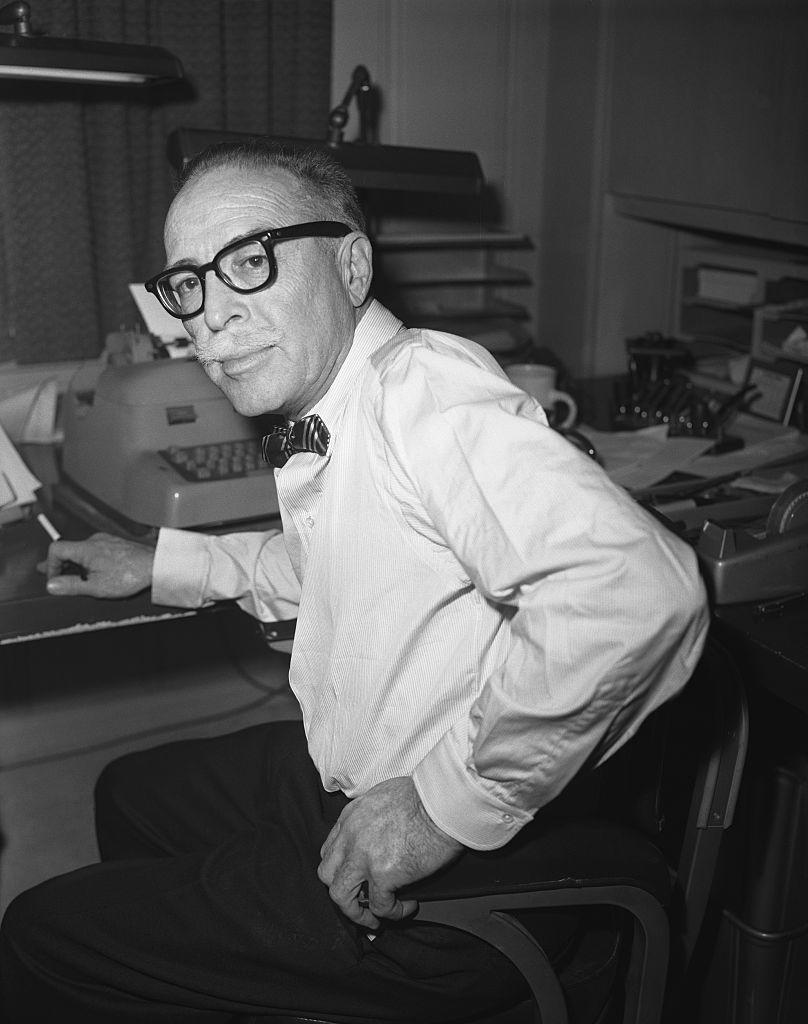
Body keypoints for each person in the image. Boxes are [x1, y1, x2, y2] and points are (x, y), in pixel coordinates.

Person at [0, 140, 709, 1022]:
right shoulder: (337, 404)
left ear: (351, 264)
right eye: (191, 283)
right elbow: (333, 565)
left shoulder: (424, 391)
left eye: (248, 263)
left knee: (38, 931)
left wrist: (440, 809)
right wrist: (165, 560)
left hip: (442, 894)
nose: (210, 319)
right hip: (357, 773)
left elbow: (635, 593)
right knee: (128, 795)